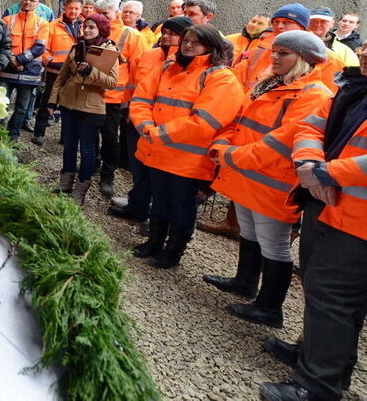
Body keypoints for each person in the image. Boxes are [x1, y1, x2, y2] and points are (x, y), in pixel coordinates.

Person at [259, 40, 367, 401]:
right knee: (320, 288)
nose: (364, 52)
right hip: (325, 202)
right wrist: (309, 166)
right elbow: (311, 127)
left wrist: (327, 173)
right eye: (365, 45)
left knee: (334, 297)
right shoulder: (350, 85)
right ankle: (319, 359)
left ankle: (316, 386)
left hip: (356, 219)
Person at [205, 31, 333, 328]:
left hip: (273, 182)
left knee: (274, 245)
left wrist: (229, 155)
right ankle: (245, 283)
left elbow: (280, 144)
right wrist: (225, 146)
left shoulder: (313, 94)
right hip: (248, 175)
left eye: (284, 53)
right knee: (249, 233)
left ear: (303, 60)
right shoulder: (270, 85)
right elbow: (238, 121)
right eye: (274, 51)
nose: (274, 57)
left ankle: (269, 308)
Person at [129, 24, 245, 268]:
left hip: (188, 161)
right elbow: (141, 99)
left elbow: (204, 122)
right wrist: (146, 127)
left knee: (182, 205)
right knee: (159, 199)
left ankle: (173, 251)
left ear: (211, 47)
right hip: (157, 150)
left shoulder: (221, 78)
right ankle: (154, 242)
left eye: (195, 42)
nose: (188, 45)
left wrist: (157, 133)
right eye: (186, 41)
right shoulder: (167, 68)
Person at [110, 16, 194, 221]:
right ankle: (137, 206)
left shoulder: (188, 64)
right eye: (165, 32)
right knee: (138, 167)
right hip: (137, 121)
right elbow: (132, 85)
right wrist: (128, 110)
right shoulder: (148, 55)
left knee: (158, 175)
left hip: (164, 128)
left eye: (173, 34)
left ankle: (156, 216)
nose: (166, 37)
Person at [47, 13, 119, 204]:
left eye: (92, 27)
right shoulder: (76, 46)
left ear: (101, 29)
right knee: (69, 146)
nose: (86, 30)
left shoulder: (109, 50)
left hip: (91, 108)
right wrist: (52, 101)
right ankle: (65, 182)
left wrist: (91, 71)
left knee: (87, 151)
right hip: (69, 103)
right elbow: (61, 77)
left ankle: (80, 189)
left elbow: (112, 82)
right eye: (85, 26)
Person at [95, 0, 147, 197]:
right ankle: (91, 166)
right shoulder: (94, 29)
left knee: (110, 138)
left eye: (106, 14)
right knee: (91, 136)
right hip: (93, 94)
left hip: (114, 98)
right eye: (99, 14)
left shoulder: (132, 35)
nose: (103, 18)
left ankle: (107, 176)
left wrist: (130, 98)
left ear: (115, 12)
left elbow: (140, 70)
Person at [32, 0, 83, 144]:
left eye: (76, 8)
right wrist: (49, 62)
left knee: (69, 106)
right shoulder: (53, 25)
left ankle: (65, 137)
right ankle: (39, 133)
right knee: (47, 102)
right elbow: (44, 48)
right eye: (71, 8)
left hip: (74, 73)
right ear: (64, 8)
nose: (73, 11)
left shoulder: (84, 26)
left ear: (80, 10)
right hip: (55, 72)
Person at [0, 0, 48, 140]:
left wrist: (19, 60)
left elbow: (39, 47)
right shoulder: (7, 20)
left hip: (28, 73)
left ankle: (12, 135)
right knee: (1, 104)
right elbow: (2, 44)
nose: (28, 2)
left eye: (32, 0)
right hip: (7, 70)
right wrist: (12, 60)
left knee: (21, 108)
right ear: (21, 1)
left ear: (37, 4)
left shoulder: (42, 23)